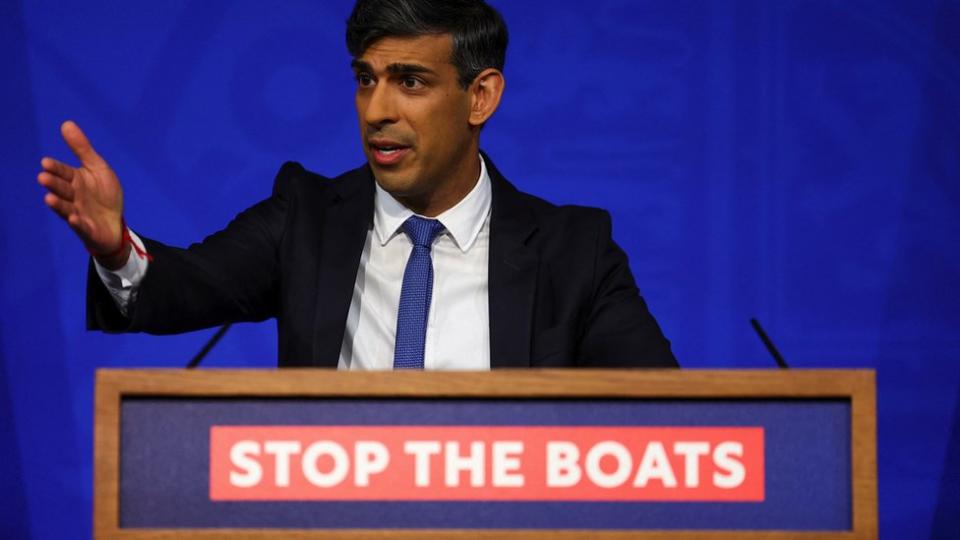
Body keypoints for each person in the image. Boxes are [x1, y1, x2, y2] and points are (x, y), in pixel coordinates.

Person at [36, 0, 677, 369]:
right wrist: (117, 247)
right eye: (366, 79)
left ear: (479, 97)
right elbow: (179, 290)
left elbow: (669, 423)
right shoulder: (308, 218)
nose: (376, 110)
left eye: (411, 82)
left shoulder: (573, 251)